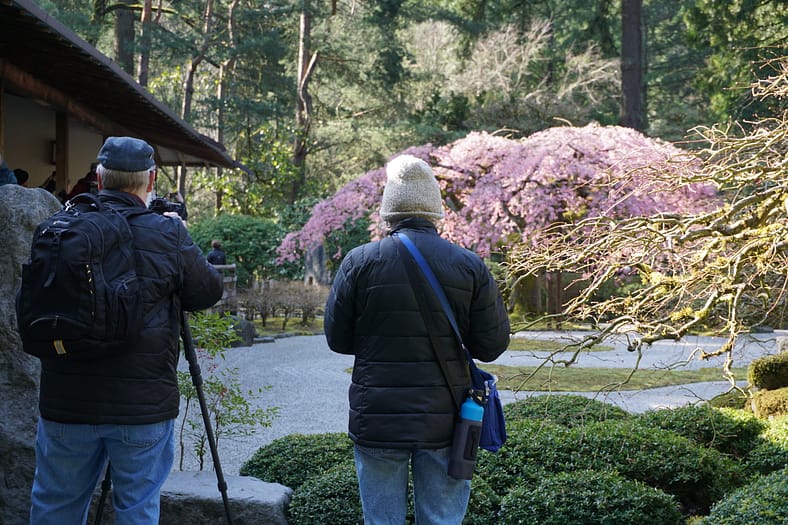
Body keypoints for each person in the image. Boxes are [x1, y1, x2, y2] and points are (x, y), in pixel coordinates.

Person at [29, 136, 224, 524]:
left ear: (98, 180)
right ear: (151, 181)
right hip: (142, 405)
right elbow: (206, 292)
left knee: (55, 506)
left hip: (68, 400)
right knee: (136, 510)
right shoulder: (167, 233)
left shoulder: (60, 228)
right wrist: (178, 233)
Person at [324, 154, 510, 524]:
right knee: (441, 520)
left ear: (387, 213)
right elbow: (492, 346)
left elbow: (338, 339)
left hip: (376, 415)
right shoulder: (468, 264)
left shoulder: (360, 261)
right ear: (435, 212)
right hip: (447, 418)